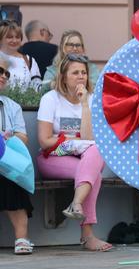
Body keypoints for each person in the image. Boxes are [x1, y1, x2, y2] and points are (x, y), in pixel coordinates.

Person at [36, 54, 112, 252]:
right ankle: (87, 236)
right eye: (75, 72)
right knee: (94, 172)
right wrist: (73, 141)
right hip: (53, 156)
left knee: (95, 158)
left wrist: (85, 104)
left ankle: (76, 204)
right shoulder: (50, 99)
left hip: (83, 156)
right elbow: (44, 141)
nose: (81, 77)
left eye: (84, 73)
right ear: (63, 77)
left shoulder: (91, 100)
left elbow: (90, 138)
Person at [0, 55, 34, 254]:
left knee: (11, 178)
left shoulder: (12, 106)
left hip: (5, 160)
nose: (4, 76)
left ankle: (21, 238)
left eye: (6, 72)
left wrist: (7, 138)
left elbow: (23, 136)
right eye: (0, 71)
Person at [41, 30, 100, 95]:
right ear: (62, 47)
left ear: (83, 48)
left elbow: (95, 89)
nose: (75, 48)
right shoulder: (53, 69)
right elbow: (44, 88)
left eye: (78, 45)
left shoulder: (92, 68)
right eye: (70, 45)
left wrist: (58, 84)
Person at [0, 20, 41, 90]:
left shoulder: (29, 61)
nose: (14, 40)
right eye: (10, 37)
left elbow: (37, 88)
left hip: (24, 101)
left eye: (17, 37)